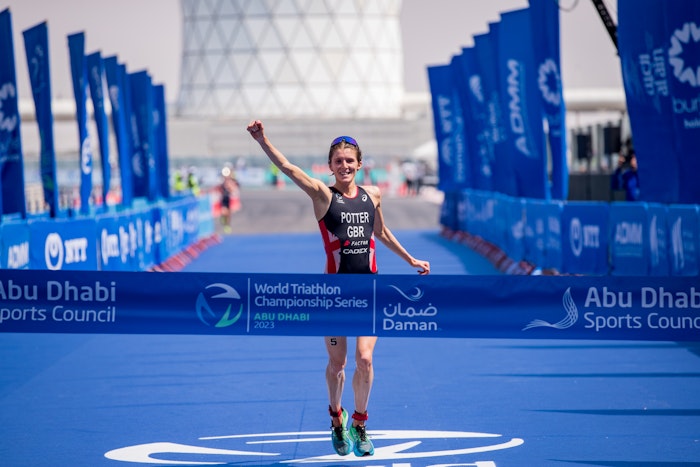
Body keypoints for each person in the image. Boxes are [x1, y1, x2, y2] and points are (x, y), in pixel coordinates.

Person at [246, 119, 430, 457]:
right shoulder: (322, 195)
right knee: (338, 365)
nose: (344, 166)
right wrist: (262, 140)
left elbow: (381, 233)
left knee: (365, 359)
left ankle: (359, 423)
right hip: (333, 296)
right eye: (338, 161)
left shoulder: (373, 195)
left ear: (359, 164)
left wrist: (410, 259)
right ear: (330, 166)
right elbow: (288, 168)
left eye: (349, 160)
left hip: (369, 292)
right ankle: (336, 417)